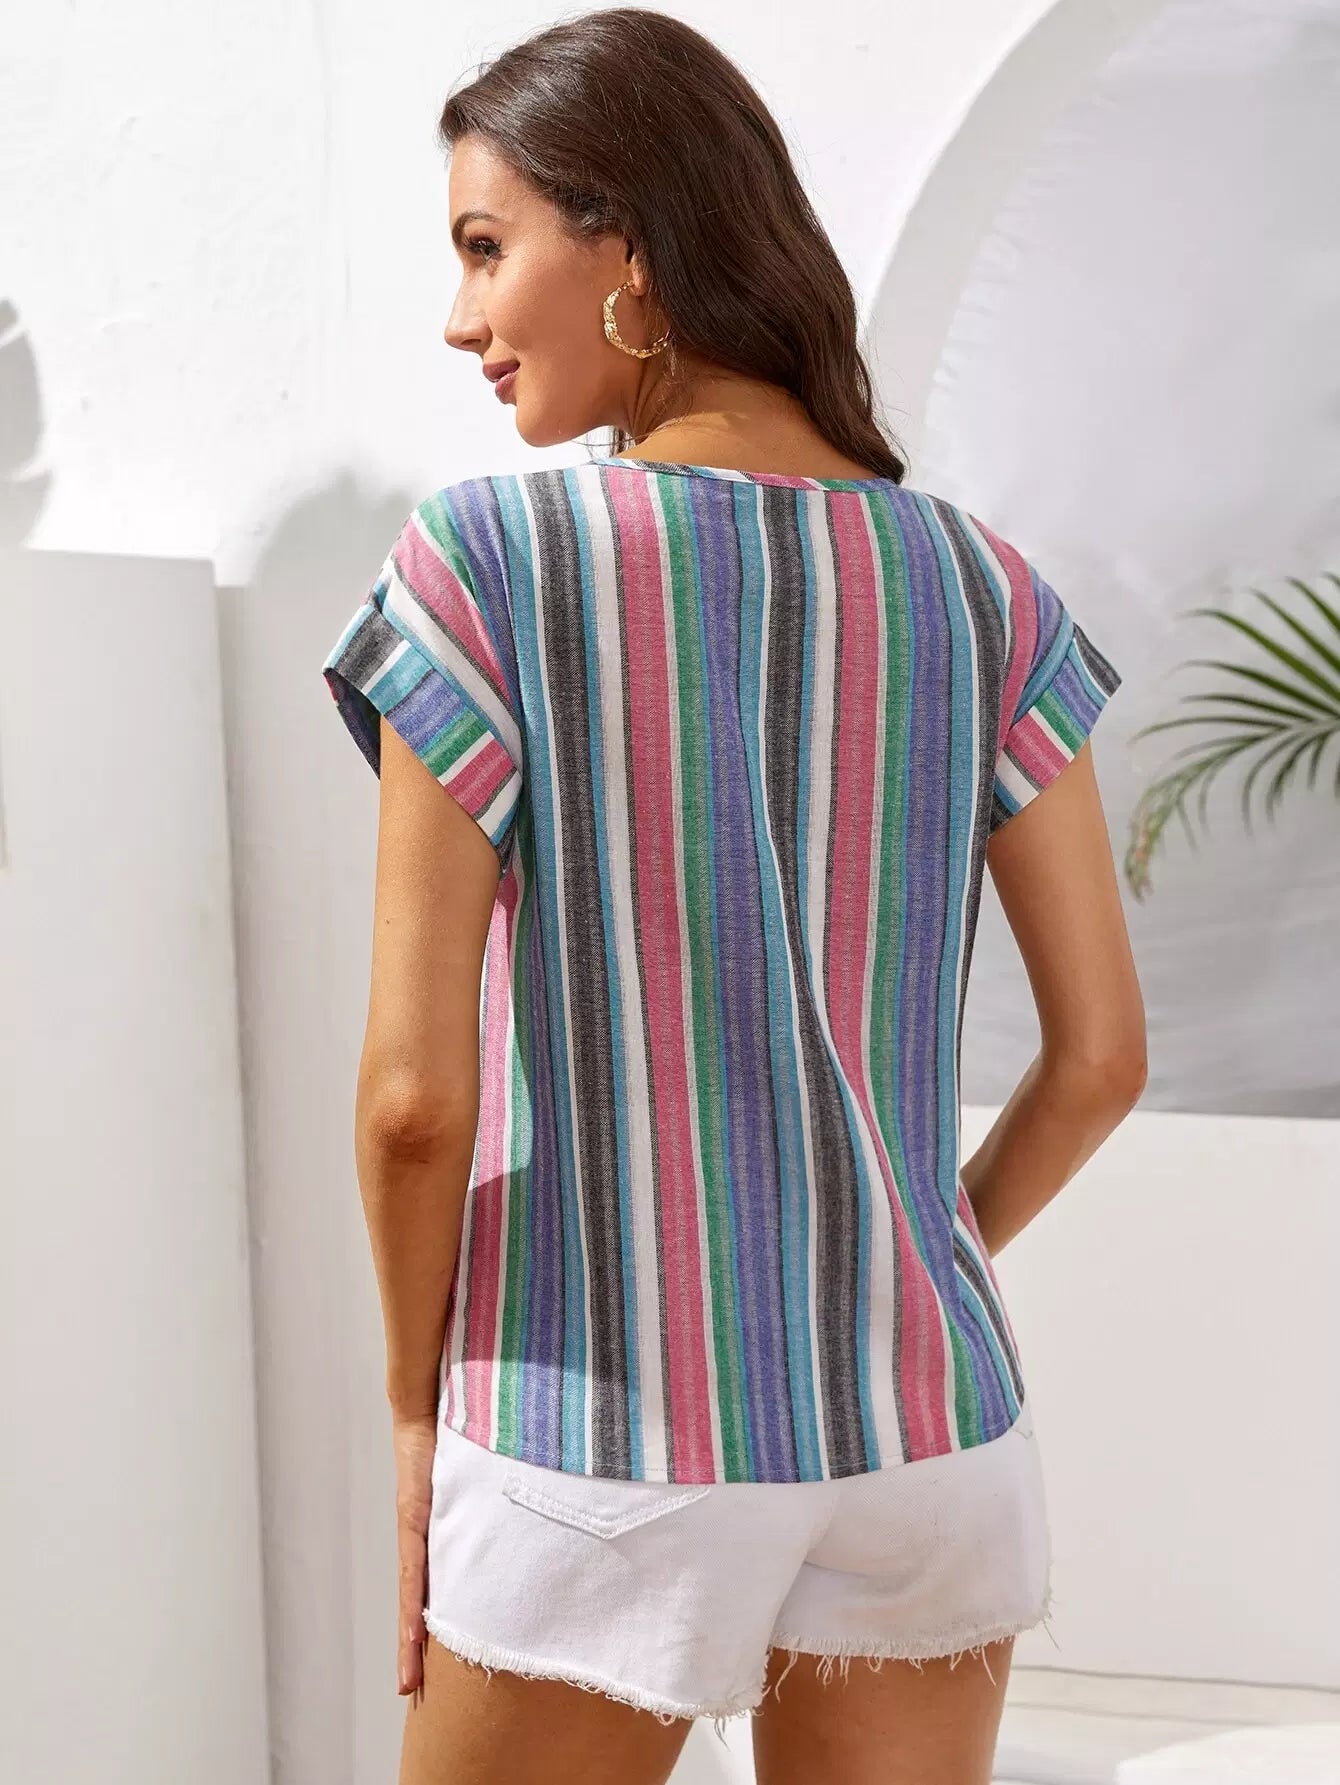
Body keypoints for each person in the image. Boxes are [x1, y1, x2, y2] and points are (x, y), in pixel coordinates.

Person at [320, 11, 1146, 1784]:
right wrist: (904, 1262)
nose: (461, 317)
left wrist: (408, 1405)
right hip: (928, 1434)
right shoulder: (984, 590)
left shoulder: (489, 562)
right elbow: (1101, 1058)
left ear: (628, 246)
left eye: (486, 247)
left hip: (596, 1419)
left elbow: (411, 1101)